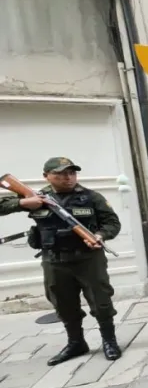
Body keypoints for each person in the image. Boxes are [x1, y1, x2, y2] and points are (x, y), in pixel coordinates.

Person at [0, 157, 123, 366]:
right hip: (54, 260)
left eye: (72, 173)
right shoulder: (37, 198)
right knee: (63, 303)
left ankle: (109, 341)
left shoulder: (91, 197)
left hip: (88, 259)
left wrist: (100, 236)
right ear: (46, 176)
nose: (68, 177)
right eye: (61, 174)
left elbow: (112, 223)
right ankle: (76, 343)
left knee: (101, 300)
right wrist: (23, 203)